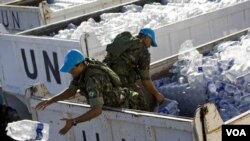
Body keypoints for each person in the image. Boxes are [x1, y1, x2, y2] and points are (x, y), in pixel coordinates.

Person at [35, 49, 140, 135]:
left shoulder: (93, 79)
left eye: (71, 69)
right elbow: (71, 91)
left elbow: (97, 110)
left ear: (80, 65)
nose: (70, 72)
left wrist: (73, 122)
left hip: (123, 106)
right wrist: (50, 100)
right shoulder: (82, 71)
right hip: (113, 105)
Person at [103, 28, 165, 110]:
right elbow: (145, 80)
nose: (149, 46)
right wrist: (156, 94)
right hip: (119, 80)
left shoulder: (124, 41)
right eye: (151, 42)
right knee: (141, 103)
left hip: (105, 75)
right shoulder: (144, 52)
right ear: (146, 38)